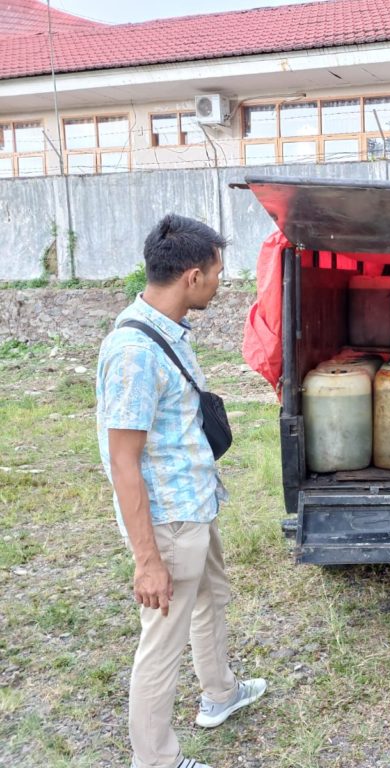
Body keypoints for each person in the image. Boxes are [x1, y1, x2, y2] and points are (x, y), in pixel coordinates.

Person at [96, 214, 266, 768]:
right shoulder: (134, 351)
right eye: (218, 272)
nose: (222, 282)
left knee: (209, 600)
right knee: (161, 647)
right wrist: (148, 561)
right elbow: (124, 462)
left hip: (194, 504)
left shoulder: (165, 330)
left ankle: (219, 693)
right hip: (167, 522)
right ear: (192, 276)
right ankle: (157, 760)